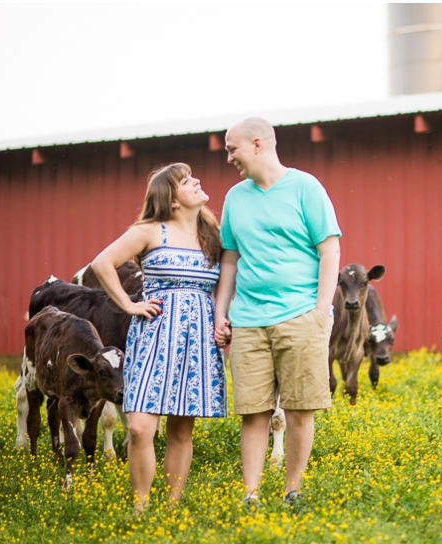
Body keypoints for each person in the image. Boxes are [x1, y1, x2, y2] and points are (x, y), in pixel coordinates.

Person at [214, 117, 341, 509]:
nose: (228, 156)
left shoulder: (306, 187)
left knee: (300, 409)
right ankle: (250, 493)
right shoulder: (235, 197)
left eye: (232, 148)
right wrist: (221, 312)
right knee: (253, 412)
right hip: (249, 321)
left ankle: (292, 490)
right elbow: (230, 261)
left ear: (257, 144)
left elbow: (329, 249)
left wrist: (321, 309)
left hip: (301, 315)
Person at [92, 162, 227, 513]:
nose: (196, 180)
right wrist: (128, 305)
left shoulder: (212, 233)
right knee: (139, 427)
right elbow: (102, 264)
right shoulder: (150, 231)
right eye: (186, 180)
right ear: (172, 198)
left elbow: (228, 282)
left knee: (181, 429)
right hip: (154, 335)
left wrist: (223, 319)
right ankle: (141, 504)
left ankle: (171, 507)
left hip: (198, 336)